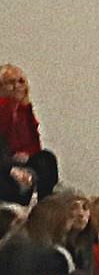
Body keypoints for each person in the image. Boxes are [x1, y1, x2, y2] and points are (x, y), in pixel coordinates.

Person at [0, 64, 59, 205]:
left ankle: (42, 204)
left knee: (47, 158)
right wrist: (10, 166)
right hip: (4, 161)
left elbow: (34, 143)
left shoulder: (25, 110)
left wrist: (27, 154)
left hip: (23, 161)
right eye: (10, 82)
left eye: (21, 81)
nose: (17, 86)